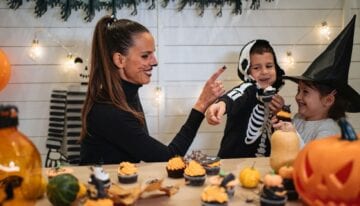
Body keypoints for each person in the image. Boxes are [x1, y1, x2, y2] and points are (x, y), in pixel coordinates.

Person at [79, 16, 226, 165]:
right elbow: (168, 158)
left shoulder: (126, 93)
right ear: (120, 60)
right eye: (145, 56)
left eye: (152, 54)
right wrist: (201, 105)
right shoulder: (108, 111)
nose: (154, 62)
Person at [273, 15, 360, 145]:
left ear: (328, 100)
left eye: (305, 92)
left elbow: (312, 159)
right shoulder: (299, 119)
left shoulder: (329, 130)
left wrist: (291, 135)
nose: (298, 97)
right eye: (298, 90)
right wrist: (280, 118)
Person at [206, 39, 285, 158]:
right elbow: (236, 95)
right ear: (247, 71)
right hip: (232, 162)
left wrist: (281, 112)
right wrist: (221, 104)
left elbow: (284, 134)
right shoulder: (249, 89)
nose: (264, 71)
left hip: (264, 165)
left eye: (269, 66)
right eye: (256, 68)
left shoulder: (276, 98)